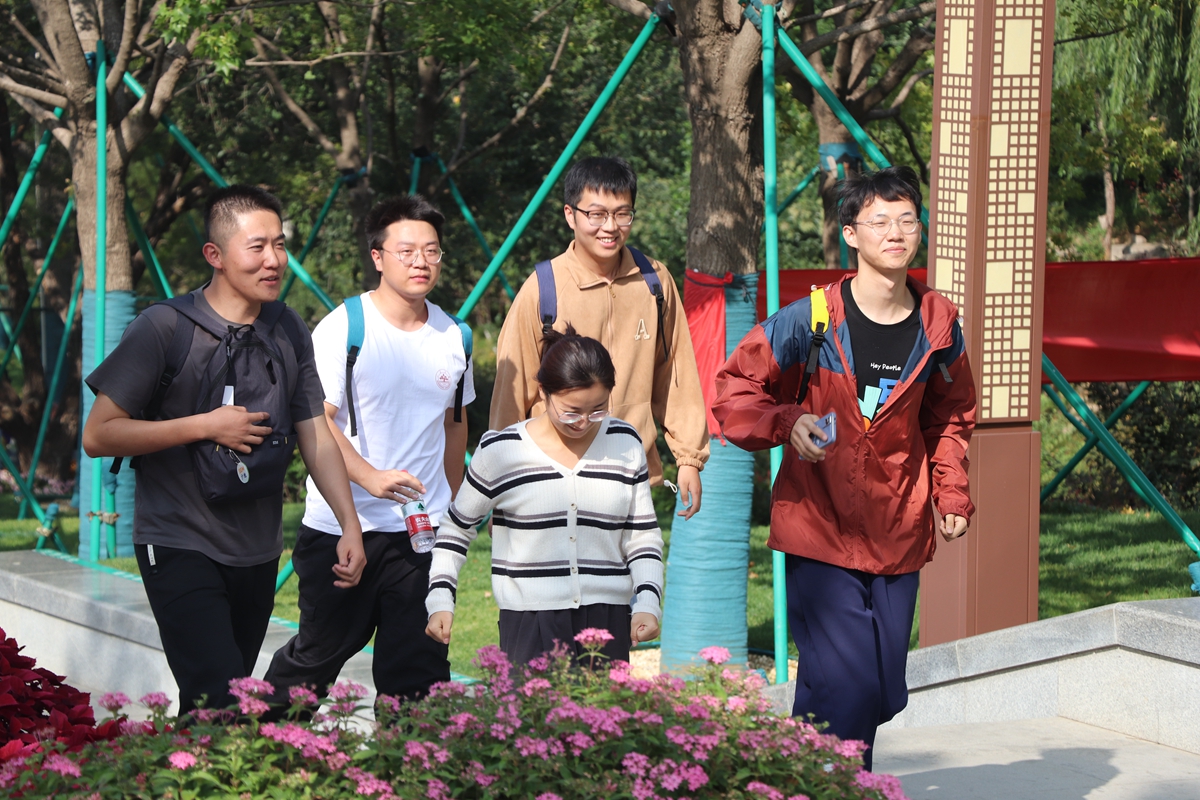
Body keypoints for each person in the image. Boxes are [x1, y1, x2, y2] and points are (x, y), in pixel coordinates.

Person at [712, 166, 976, 770]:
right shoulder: (811, 319)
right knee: (852, 687)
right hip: (819, 527)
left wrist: (951, 493)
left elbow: (951, 416)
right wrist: (786, 421)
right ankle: (843, 784)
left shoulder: (939, 328)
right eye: (879, 221)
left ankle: (794, 774)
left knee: (879, 691)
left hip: (898, 528)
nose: (895, 233)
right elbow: (733, 392)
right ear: (851, 234)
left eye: (907, 220)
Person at [83, 185, 365, 714]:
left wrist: (349, 523)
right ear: (214, 254)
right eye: (257, 247)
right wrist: (204, 426)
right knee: (215, 696)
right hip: (177, 539)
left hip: (257, 549)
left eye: (279, 245)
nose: (273, 260)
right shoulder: (164, 327)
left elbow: (315, 434)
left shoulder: (287, 328)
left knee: (228, 701)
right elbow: (99, 434)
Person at [263, 195, 471, 703]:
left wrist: (456, 510)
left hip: (422, 535)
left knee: (418, 675)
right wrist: (369, 476)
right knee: (315, 662)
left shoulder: (454, 335)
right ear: (377, 257)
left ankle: (406, 756)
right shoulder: (344, 327)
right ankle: (258, 743)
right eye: (407, 251)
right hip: (342, 529)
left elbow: (454, 426)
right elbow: (316, 420)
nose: (421, 262)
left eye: (432, 251)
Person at [426, 328, 663, 666]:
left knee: (603, 704)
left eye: (598, 409)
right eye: (571, 411)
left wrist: (648, 602)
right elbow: (455, 530)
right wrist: (440, 600)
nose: (584, 422)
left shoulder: (625, 442)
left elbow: (642, 536)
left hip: (608, 620)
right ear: (543, 392)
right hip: (529, 624)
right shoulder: (502, 451)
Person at [490, 156, 708, 518]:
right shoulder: (543, 289)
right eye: (596, 214)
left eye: (623, 214)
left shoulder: (655, 282)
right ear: (570, 214)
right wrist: (502, 483)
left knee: (637, 558)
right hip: (553, 478)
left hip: (630, 474)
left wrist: (689, 457)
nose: (610, 227)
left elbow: (675, 374)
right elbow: (511, 394)